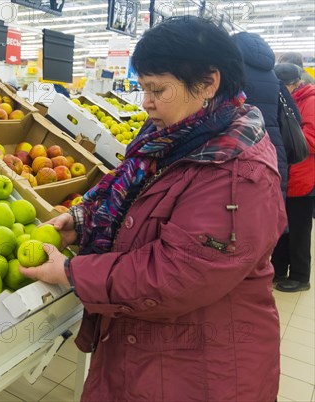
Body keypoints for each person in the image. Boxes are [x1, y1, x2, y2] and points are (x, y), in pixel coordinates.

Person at [20, 17, 286, 401]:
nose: (145, 102)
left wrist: (72, 271)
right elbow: (137, 198)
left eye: (157, 89)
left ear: (209, 83)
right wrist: (85, 219)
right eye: (144, 87)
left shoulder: (237, 171)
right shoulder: (173, 137)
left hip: (200, 367)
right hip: (147, 347)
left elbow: (178, 274)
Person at [232, 32, 297, 199]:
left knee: (239, 207)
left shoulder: (229, 73)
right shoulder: (274, 77)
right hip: (274, 149)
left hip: (238, 148)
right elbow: (296, 116)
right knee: (273, 205)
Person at [271, 63, 315, 292]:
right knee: (282, 226)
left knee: (299, 229)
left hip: (303, 177)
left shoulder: (310, 101)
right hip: (286, 175)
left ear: (294, 83)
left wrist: (282, 139)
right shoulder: (287, 99)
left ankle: (300, 276)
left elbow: (311, 138)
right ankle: (278, 269)